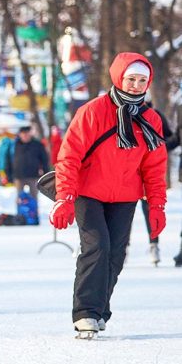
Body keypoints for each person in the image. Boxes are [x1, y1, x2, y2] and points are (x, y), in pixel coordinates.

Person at [50, 52, 167, 339]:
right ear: (118, 78)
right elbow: (69, 156)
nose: (136, 85)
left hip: (125, 197)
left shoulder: (150, 119)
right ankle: (86, 313)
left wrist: (157, 206)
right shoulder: (93, 111)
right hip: (87, 193)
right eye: (131, 79)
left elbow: (154, 167)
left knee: (116, 253)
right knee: (97, 246)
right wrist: (64, 196)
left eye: (142, 80)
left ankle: (101, 309)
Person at [137, 107, 176, 265]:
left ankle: (154, 245)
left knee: (149, 210)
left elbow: (169, 138)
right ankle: (122, 247)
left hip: (147, 172)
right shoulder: (118, 112)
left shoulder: (154, 114)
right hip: (125, 173)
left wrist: (158, 150)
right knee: (123, 211)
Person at [5, 126, 49, 204]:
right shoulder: (13, 145)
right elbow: (7, 161)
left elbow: (44, 160)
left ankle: (33, 214)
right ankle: (20, 214)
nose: (25, 135)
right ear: (20, 134)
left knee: (33, 198)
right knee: (19, 198)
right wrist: (9, 175)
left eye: (27, 133)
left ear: (30, 134)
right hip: (18, 176)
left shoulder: (37, 145)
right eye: (23, 134)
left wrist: (45, 174)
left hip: (33, 176)